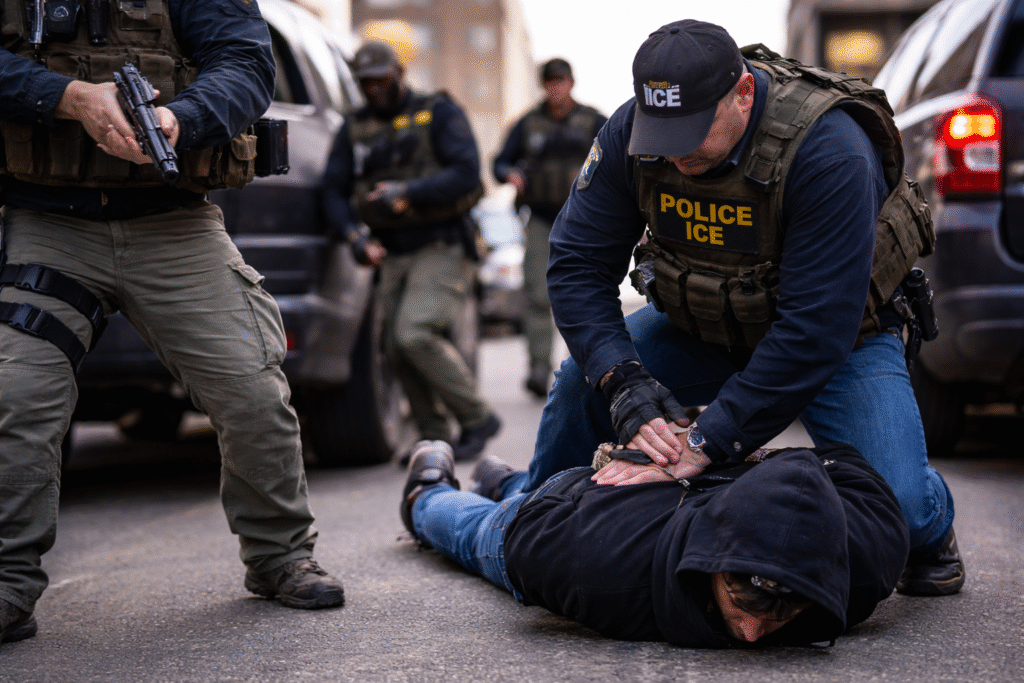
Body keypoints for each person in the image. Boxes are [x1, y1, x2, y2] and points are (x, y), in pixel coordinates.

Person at [519, 19, 965, 598]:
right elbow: (577, 261)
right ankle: (526, 518)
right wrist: (622, 380)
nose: (675, 153)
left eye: (692, 131)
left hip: (836, 340)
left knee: (894, 508)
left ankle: (934, 518)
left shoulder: (829, 149)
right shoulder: (631, 132)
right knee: (581, 385)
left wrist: (707, 442)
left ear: (744, 93)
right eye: (663, 132)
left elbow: (813, 331)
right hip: (701, 324)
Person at [0, 0, 345, 647]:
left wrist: (175, 120)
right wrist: (70, 98)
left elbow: (246, 63)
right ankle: (6, 581)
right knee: (17, 397)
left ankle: (278, 555)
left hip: (172, 219)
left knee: (251, 384)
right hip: (45, 220)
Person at [398, 437, 910, 647]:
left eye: (782, 614)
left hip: (673, 490)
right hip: (572, 504)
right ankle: (427, 494)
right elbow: (527, 534)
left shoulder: (860, 564)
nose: (753, 635)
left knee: (520, 493)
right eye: (740, 600)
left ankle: (501, 477)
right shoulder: (597, 571)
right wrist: (675, 462)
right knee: (482, 530)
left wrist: (750, 460)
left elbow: (852, 471)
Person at [322, 41, 500, 462]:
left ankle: (477, 418)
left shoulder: (438, 111)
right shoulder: (354, 127)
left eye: (380, 79)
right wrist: (354, 237)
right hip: (392, 251)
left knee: (414, 333)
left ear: (399, 73)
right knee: (393, 348)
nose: (373, 89)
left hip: (442, 241)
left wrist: (409, 192)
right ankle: (433, 436)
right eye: (365, 83)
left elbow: (466, 173)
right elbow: (332, 190)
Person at [492, 58, 607, 398]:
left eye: (562, 82)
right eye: (550, 82)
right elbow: (499, 162)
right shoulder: (528, 124)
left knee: (588, 293)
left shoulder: (592, 120)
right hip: (541, 219)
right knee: (538, 295)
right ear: (544, 86)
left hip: (583, 219)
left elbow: (619, 154)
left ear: (571, 83)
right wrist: (509, 173)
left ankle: (593, 370)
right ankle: (539, 369)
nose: (557, 88)